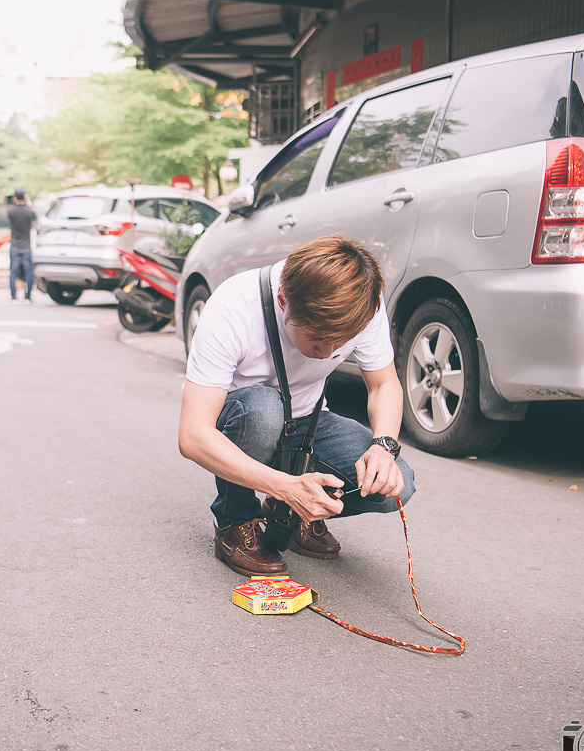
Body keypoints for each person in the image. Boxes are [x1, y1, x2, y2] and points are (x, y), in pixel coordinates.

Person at [177, 235, 416, 577]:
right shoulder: (233, 305)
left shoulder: (363, 304)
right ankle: (235, 520)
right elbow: (192, 435)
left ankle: (286, 512)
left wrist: (383, 447)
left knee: (397, 484)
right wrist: (285, 486)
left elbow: (384, 384)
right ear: (283, 301)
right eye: (318, 340)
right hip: (243, 420)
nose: (329, 351)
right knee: (263, 411)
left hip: (308, 420)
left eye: (340, 342)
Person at [7, 189, 36, 303]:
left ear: (15, 197)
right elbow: (34, 215)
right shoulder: (29, 211)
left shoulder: (11, 211)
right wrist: (27, 203)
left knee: (13, 272)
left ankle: (14, 297)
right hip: (26, 244)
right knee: (28, 271)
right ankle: (28, 296)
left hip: (14, 244)